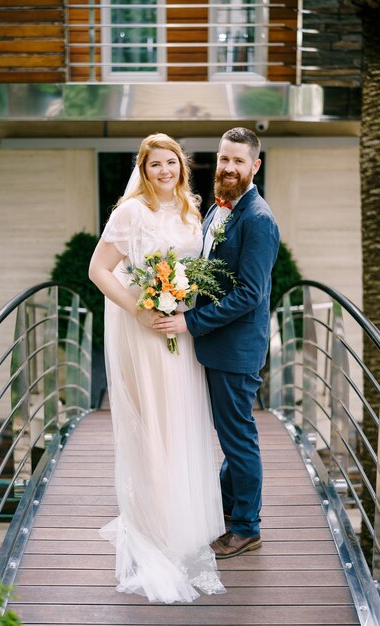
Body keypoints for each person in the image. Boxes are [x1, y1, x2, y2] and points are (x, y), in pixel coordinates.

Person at [88, 133, 226, 603]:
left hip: (182, 333)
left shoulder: (192, 209)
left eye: (171, 163)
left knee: (182, 422)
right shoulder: (129, 213)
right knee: (154, 425)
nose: (164, 171)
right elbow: (99, 270)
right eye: (154, 165)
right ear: (143, 171)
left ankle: (181, 521)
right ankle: (154, 527)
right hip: (146, 331)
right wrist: (140, 309)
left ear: (182, 167)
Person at [154, 127, 280, 559]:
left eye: (238, 161)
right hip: (214, 344)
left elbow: (250, 294)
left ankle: (247, 526)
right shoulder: (217, 211)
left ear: (254, 166)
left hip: (235, 350)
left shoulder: (259, 219)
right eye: (224, 159)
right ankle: (229, 510)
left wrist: (191, 322)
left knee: (238, 437)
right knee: (230, 434)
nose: (228, 167)